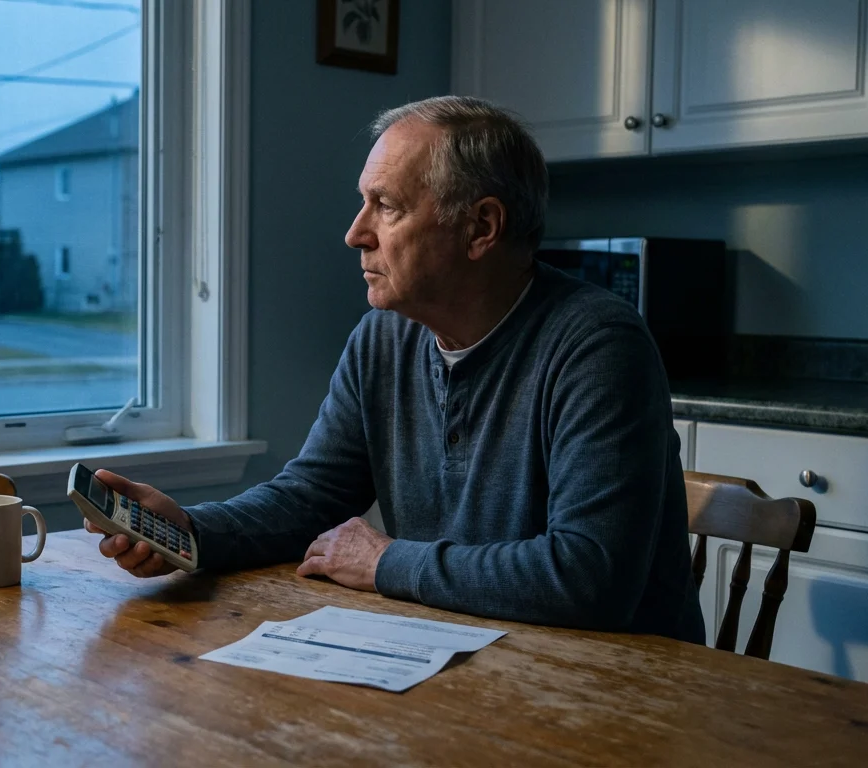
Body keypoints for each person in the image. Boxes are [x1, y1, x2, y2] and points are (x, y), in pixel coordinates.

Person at [86, 96, 705, 643]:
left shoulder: (597, 344)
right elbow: (310, 498)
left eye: (386, 206)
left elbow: (589, 577)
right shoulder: (383, 337)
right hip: (461, 655)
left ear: (481, 227)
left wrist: (385, 562)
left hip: (619, 689)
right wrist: (190, 530)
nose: (356, 233)